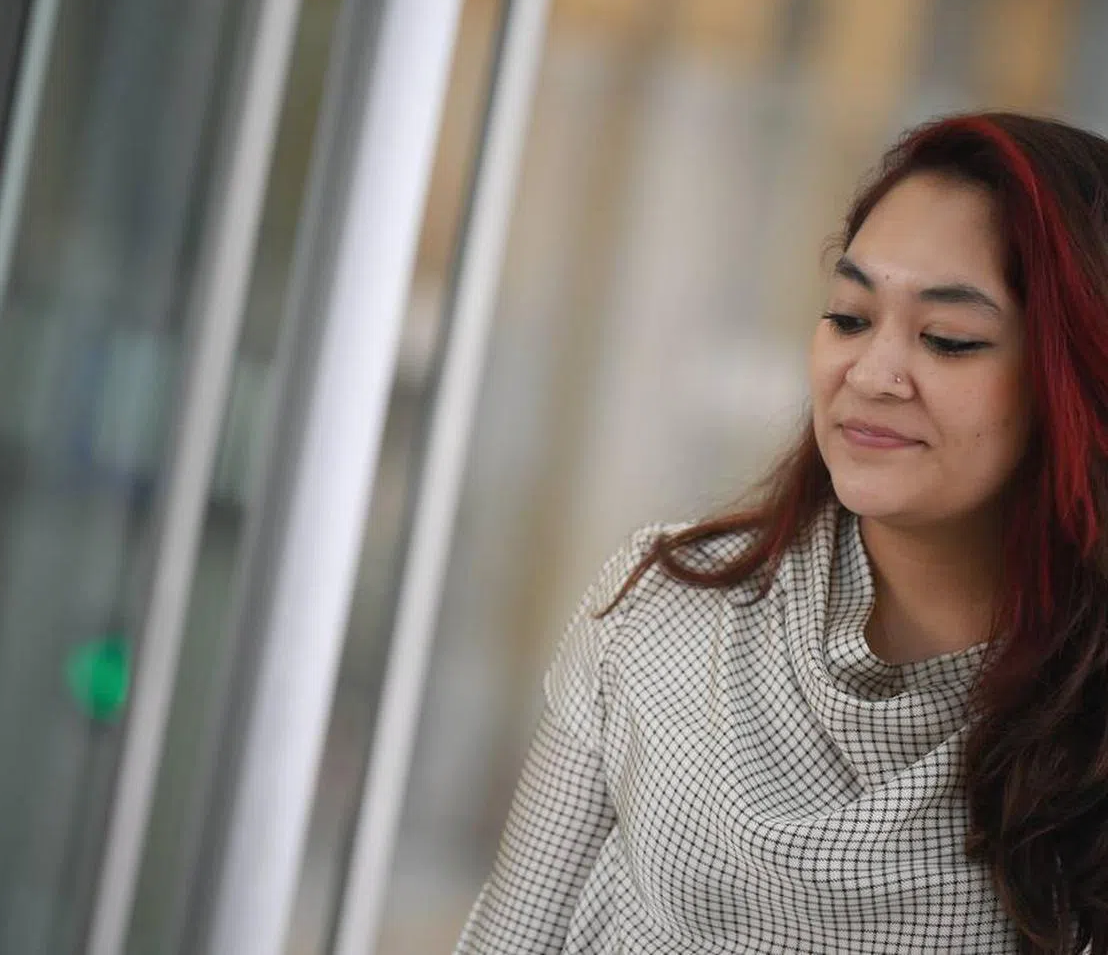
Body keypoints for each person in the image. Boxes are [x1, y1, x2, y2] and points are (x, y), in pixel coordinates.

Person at [454, 112, 1108, 955]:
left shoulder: (1081, 721)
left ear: (1080, 385)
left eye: (948, 340)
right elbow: (512, 935)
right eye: (849, 316)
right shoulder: (668, 603)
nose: (871, 374)